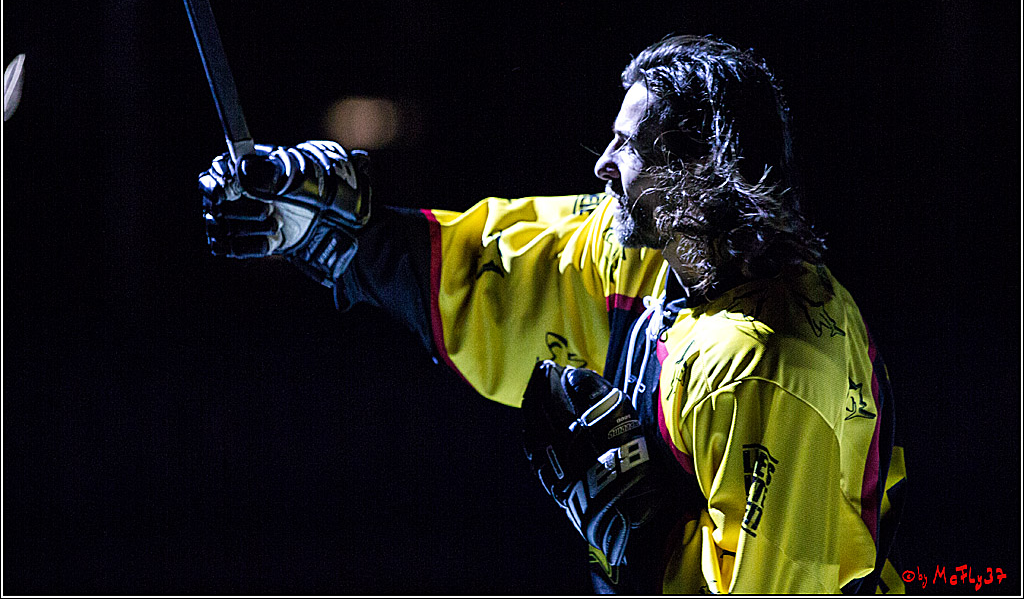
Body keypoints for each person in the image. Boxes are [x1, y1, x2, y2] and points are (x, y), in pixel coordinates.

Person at [200, 35, 907, 594]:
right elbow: (500, 271)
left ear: (698, 168)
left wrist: (639, 532)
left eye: (629, 145)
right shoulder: (651, 255)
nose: (602, 163)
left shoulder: (768, 364)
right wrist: (342, 232)